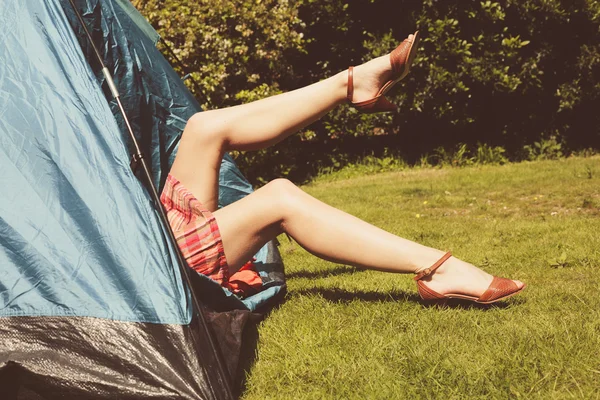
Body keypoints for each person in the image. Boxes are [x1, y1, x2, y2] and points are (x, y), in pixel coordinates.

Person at [160, 31, 526, 304]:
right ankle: (438, 269)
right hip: (150, 263)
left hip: (155, 223)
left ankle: (351, 83)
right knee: (279, 197)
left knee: (202, 127)